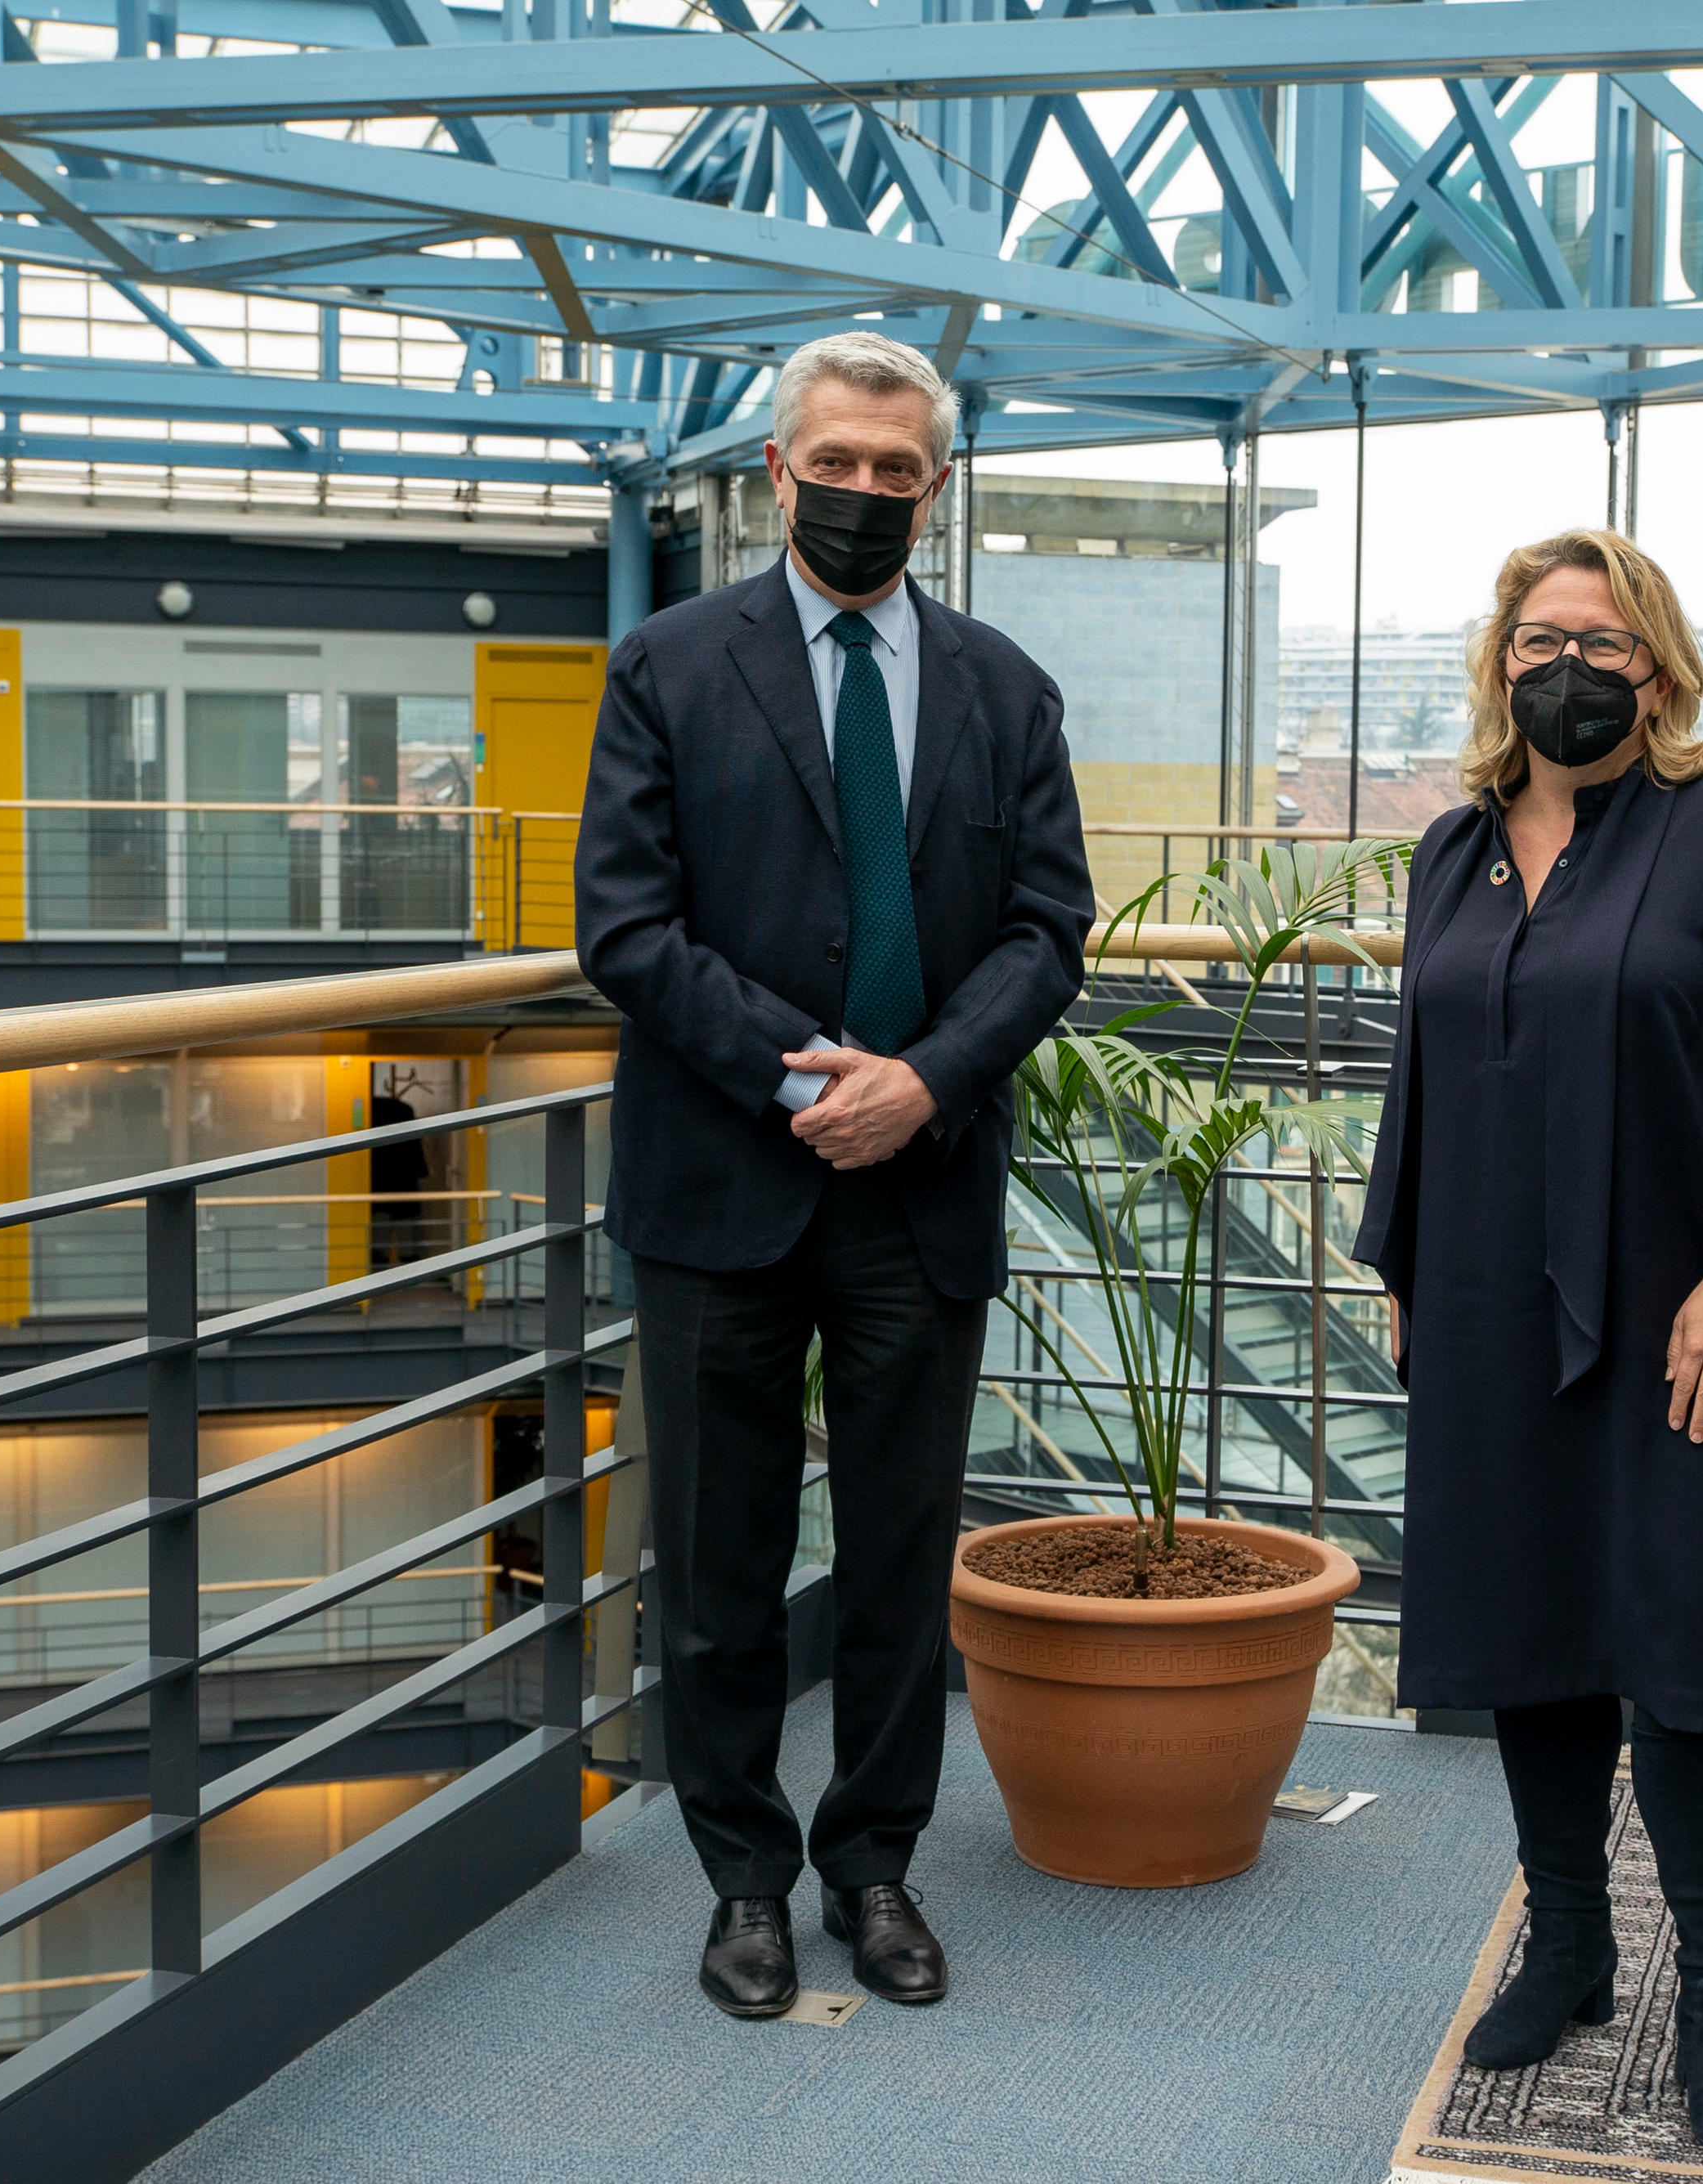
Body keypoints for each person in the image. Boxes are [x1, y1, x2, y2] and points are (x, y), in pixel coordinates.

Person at [575, 331, 1091, 2021]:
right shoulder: (665, 663)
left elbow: (1046, 931)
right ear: (777, 469)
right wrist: (814, 1075)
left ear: (933, 489)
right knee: (716, 1570)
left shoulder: (1005, 688)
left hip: (918, 1183)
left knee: (894, 1560)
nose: (867, 492)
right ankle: (740, 1876)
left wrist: (924, 1083)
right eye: (838, 463)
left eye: (899, 470)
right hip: (728, 1181)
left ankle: (873, 1866)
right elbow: (624, 928)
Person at [1351, 529, 1703, 2158]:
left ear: (1661, 668)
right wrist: (1401, 1256)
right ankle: (1567, 1941)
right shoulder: (1452, 849)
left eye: (1606, 643)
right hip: (1479, 1299)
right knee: (1527, 1623)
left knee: (1681, 1653)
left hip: (1670, 1310)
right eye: (1542, 636)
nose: (1571, 664)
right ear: (1500, 660)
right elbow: (1415, 1071)